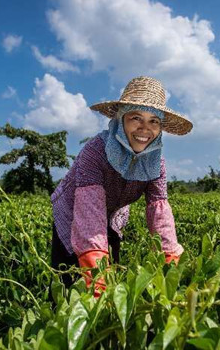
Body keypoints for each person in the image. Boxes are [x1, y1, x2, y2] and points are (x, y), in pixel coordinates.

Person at [50, 76, 193, 296]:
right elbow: (89, 213)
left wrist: (170, 259)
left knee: (113, 273)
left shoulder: (157, 164)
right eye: (136, 117)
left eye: (154, 121)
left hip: (113, 214)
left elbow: (159, 211)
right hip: (74, 213)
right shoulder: (95, 152)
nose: (144, 129)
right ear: (121, 119)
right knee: (71, 279)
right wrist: (96, 280)